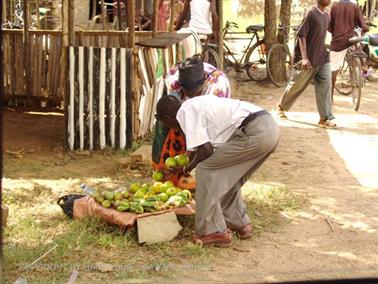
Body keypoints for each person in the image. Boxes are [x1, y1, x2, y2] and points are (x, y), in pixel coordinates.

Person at [155, 95, 280, 246]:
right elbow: (200, 147)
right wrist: (182, 166)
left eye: (167, 124)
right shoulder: (194, 105)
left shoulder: (185, 113)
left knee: (205, 170)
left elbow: (206, 151)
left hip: (253, 132)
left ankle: (213, 231)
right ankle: (239, 223)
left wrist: (186, 168)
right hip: (269, 128)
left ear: (167, 117)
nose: (171, 128)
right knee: (227, 176)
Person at [152, 55, 231, 184]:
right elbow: (176, 115)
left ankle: (199, 179)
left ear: (203, 82)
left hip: (212, 116)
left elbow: (207, 131)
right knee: (166, 129)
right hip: (182, 106)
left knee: (205, 143)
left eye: (193, 91)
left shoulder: (217, 87)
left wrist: (188, 164)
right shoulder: (173, 81)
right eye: (186, 90)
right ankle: (166, 174)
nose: (189, 94)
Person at [276, 0, 337, 128]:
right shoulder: (311, 13)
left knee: (325, 85)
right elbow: (301, 35)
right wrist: (304, 58)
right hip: (309, 59)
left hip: (323, 58)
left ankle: (324, 118)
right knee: (297, 85)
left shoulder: (326, 15)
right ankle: (281, 106)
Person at [328, 0, 369, 98]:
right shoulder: (355, 7)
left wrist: (336, 33)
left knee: (333, 69)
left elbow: (329, 26)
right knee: (363, 47)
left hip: (338, 42)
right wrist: (365, 29)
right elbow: (364, 26)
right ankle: (364, 69)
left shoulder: (334, 6)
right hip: (352, 39)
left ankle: (330, 97)